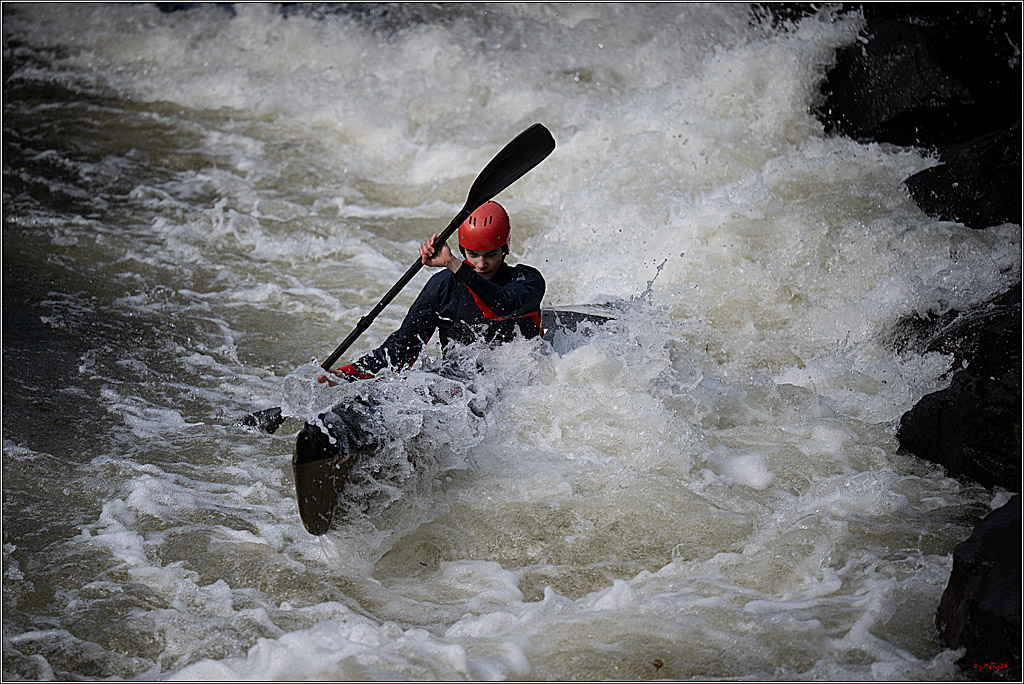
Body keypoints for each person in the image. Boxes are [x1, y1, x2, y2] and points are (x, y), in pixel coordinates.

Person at [318, 200, 545, 385]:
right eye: (473, 254)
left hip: (511, 387)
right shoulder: (442, 287)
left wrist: (454, 264)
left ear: (505, 248)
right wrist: (346, 374)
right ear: (462, 249)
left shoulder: (527, 281)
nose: (481, 264)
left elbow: (501, 307)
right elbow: (402, 350)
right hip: (458, 388)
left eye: (491, 254)